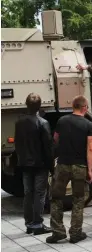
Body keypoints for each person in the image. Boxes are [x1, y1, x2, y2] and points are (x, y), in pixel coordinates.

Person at [47, 95, 92, 244]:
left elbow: (55, 139)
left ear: (73, 106)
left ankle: (57, 232)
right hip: (79, 167)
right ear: (85, 108)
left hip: (62, 165)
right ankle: (75, 233)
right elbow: (90, 148)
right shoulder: (89, 125)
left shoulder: (62, 121)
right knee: (78, 199)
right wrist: (89, 169)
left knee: (56, 198)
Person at [14, 93, 53, 235]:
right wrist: (51, 166)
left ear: (26, 104)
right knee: (40, 194)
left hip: (24, 163)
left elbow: (18, 144)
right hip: (40, 164)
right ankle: (38, 224)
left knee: (28, 193)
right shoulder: (43, 123)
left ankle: (29, 223)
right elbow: (48, 147)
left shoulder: (19, 122)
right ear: (39, 106)